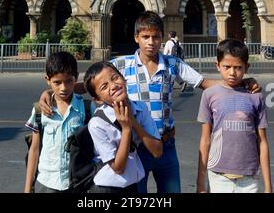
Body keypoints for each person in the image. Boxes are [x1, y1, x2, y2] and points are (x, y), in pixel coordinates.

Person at [39, 11, 260, 193]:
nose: (151, 42)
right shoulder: (121, 65)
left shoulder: (172, 64)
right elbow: (90, 83)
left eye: (155, 37)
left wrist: (241, 83)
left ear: (162, 38)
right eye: (145, 37)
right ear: (136, 38)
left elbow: (204, 83)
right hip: (135, 149)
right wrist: (51, 93)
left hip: (165, 144)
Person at [196, 38, 272, 193]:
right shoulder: (209, 95)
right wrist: (200, 183)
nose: (232, 72)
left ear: (246, 67)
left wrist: (269, 186)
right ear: (217, 66)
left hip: (249, 177)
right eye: (227, 67)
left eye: (238, 67)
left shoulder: (255, 96)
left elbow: (262, 141)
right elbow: (205, 140)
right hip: (218, 175)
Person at [83, 61, 162, 194]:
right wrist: (126, 129)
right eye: (104, 86)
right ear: (98, 99)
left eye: (115, 78)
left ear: (123, 78)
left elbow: (157, 151)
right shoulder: (97, 123)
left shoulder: (140, 107)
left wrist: (133, 121)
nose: (113, 86)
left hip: (132, 184)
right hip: (107, 187)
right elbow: (118, 168)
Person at [24, 51, 85, 193]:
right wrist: (28, 187)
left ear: (76, 77)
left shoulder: (86, 109)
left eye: (69, 81)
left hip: (77, 182)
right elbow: (34, 149)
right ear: (48, 79)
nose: (63, 88)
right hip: (46, 182)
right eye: (57, 82)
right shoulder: (40, 111)